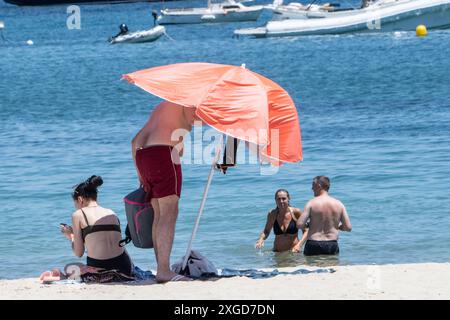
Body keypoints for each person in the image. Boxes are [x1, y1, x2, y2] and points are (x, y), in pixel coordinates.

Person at [131, 101, 201, 283]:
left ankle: (162, 268)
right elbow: (196, 118)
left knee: (160, 214)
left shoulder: (162, 107)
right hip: (163, 154)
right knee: (169, 213)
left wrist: (141, 176)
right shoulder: (189, 102)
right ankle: (163, 270)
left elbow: (135, 142)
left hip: (143, 156)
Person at [60, 175, 134, 277]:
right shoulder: (111, 212)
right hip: (125, 268)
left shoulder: (78, 214)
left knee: (69, 267)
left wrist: (71, 237)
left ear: (80, 199)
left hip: (101, 270)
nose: (76, 207)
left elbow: (79, 253)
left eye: (75, 203)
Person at [297, 176, 352, 256]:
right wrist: (338, 226)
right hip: (331, 244)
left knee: (313, 268)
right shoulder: (339, 204)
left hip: (313, 243)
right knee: (330, 267)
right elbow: (348, 227)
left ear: (319, 186)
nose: (312, 188)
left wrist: (308, 225)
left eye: (313, 185)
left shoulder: (311, 203)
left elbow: (299, 224)